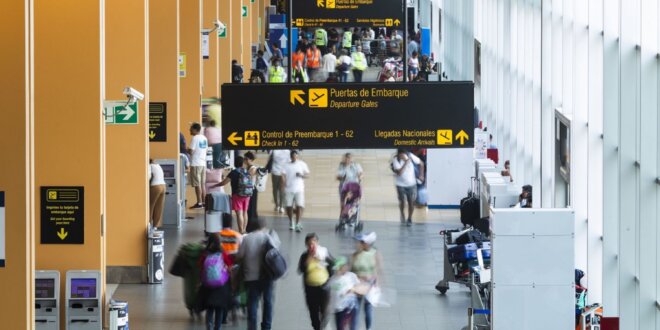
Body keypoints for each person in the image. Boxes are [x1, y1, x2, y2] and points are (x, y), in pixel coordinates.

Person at [236, 218, 280, 330]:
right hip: (267, 277)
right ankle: (266, 326)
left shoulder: (247, 238)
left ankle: (252, 327)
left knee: (252, 304)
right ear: (263, 227)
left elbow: (240, 256)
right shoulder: (268, 237)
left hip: (250, 277)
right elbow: (276, 254)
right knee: (268, 303)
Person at [298, 233, 335, 330]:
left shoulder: (324, 252)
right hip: (310, 289)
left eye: (313, 243)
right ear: (306, 245)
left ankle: (323, 327)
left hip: (324, 288)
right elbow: (300, 270)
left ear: (317, 243)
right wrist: (307, 262)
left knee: (325, 312)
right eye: (309, 244)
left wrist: (324, 259)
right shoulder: (304, 256)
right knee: (313, 314)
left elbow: (334, 264)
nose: (311, 246)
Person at [215, 154, 256, 234]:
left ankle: (241, 231)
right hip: (247, 194)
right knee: (245, 212)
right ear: (242, 163)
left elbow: (224, 182)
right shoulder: (246, 171)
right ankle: (244, 230)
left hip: (237, 195)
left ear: (234, 163)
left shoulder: (234, 172)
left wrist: (216, 185)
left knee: (239, 213)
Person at [199, 233, 233, 330]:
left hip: (208, 284)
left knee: (210, 308)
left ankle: (209, 326)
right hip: (221, 285)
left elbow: (200, 267)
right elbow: (230, 266)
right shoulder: (223, 253)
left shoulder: (205, 254)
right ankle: (217, 327)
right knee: (219, 308)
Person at [350, 232, 383, 330]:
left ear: (365, 243)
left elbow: (377, 269)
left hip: (369, 284)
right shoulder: (355, 255)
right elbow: (351, 270)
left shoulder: (373, 253)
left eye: (359, 242)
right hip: (358, 284)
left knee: (366, 309)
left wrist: (377, 282)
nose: (357, 244)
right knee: (357, 309)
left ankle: (367, 328)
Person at [391, 148, 424, 225]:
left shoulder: (411, 156)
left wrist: (421, 175)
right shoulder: (396, 160)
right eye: (402, 155)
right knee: (402, 201)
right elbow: (399, 173)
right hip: (400, 185)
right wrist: (406, 162)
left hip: (412, 184)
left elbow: (421, 163)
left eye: (404, 154)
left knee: (411, 202)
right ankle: (402, 213)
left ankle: (409, 218)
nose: (403, 156)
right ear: (399, 154)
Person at [328, 256, 360, 330]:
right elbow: (329, 295)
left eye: (339, 268)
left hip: (350, 307)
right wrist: (329, 308)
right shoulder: (332, 280)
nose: (337, 270)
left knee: (352, 327)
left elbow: (359, 288)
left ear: (344, 267)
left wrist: (352, 290)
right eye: (336, 268)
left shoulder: (351, 276)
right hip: (337, 309)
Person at [281, 150, 310, 232]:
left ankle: (298, 223)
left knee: (299, 206)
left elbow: (307, 174)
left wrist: (301, 175)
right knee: (289, 206)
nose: (294, 158)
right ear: (291, 157)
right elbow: (283, 175)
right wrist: (283, 184)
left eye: (296, 156)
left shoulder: (302, 164)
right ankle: (291, 221)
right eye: (293, 156)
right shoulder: (286, 165)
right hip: (289, 189)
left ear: (297, 156)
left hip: (299, 189)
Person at [188, 123, 209, 209]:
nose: (190, 130)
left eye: (191, 129)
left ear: (195, 130)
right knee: (202, 184)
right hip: (203, 164)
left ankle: (199, 203)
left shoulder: (195, 138)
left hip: (196, 164)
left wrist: (187, 149)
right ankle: (204, 202)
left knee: (197, 184)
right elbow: (206, 150)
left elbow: (191, 151)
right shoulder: (204, 138)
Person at [270, 149, 291, 213]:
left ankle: (278, 205)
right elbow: (289, 162)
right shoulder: (287, 151)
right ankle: (280, 206)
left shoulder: (273, 150)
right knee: (281, 189)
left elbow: (270, 160)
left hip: (276, 172)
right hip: (281, 172)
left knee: (275, 189)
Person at [148, 159, 166, 229]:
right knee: (159, 206)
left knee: (150, 206)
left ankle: (148, 224)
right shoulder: (158, 165)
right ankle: (156, 226)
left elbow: (148, 176)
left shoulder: (150, 166)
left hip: (155, 186)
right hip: (163, 186)